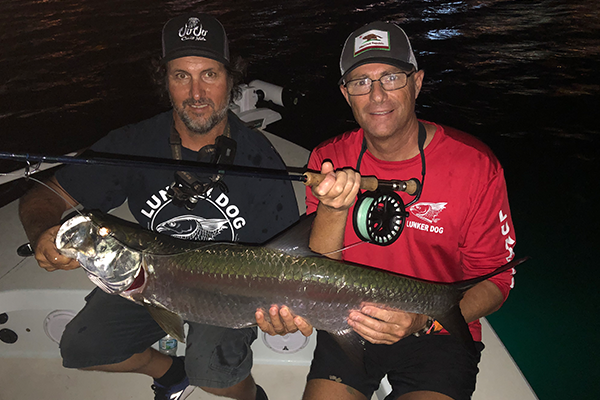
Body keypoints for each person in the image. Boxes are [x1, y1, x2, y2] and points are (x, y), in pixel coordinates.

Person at [19, 13, 301, 400]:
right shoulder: (134, 143)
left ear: (230, 80)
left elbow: (287, 260)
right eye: (181, 76)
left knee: (213, 371)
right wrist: (42, 232)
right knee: (82, 348)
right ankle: (171, 373)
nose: (196, 93)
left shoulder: (261, 161)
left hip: (228, 290)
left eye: (210, 75)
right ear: (165, 82)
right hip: (144, 276)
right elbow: (43, 195)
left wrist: (281, 310)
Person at [300, 21, 518, 400]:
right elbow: (319, 269)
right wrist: (334, 210)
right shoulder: (328, 160)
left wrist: (422, 320)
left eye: (391, 77)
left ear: (416, 83)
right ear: (346, 94)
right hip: (350, 322)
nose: (377, 95)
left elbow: (497, 281)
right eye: (361, 82)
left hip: (440, 332)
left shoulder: (476, 166)